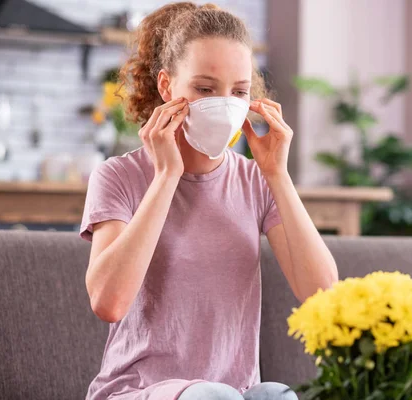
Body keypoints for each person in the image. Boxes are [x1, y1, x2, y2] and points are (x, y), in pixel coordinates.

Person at [79, 2, 339, 399]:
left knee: (275, 396)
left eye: (238, 91)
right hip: (139, 392)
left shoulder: (255, 181)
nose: (223, 103)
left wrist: (278, 177)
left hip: (234, 394)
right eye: (204, 89)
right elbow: (108, 302)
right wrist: (167, 175)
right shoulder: (120, 176)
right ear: (168, 87)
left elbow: (323, 295)